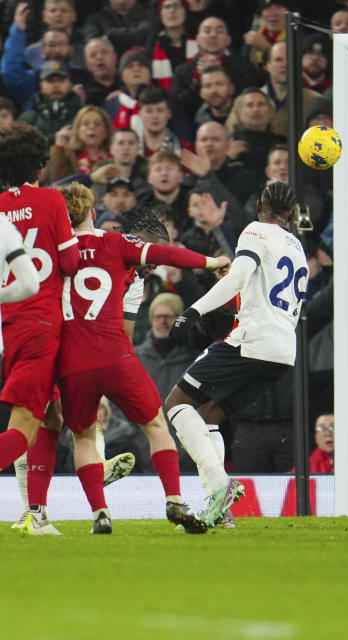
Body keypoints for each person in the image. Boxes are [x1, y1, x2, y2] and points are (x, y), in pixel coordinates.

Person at [54, 183, 223, 534]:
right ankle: (174, 498)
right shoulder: (116, 245)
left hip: (69, 362)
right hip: (115, 354)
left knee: (81, 436)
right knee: (156, 425)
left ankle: (98, 512)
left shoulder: (53, 252)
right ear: (93, 213)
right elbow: (169, 257)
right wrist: (211, 261)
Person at [164, 181, 308, 527]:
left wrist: (192, 312)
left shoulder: (256, 230)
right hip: (284, 352)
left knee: (175, 404)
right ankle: (222, 512)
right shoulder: (297, 246)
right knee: (211, 415)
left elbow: (239, 277)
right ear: (292, 214)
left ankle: (220, 486)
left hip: (253, 340)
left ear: (260, 206)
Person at [0, 124, 80, 534]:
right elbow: (68, 264)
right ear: (41, 164)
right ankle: (35, 513)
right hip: (42, 323)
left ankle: (37, 513)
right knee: (24, 425)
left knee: (49, 419)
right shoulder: (51, 200)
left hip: (8, 327)